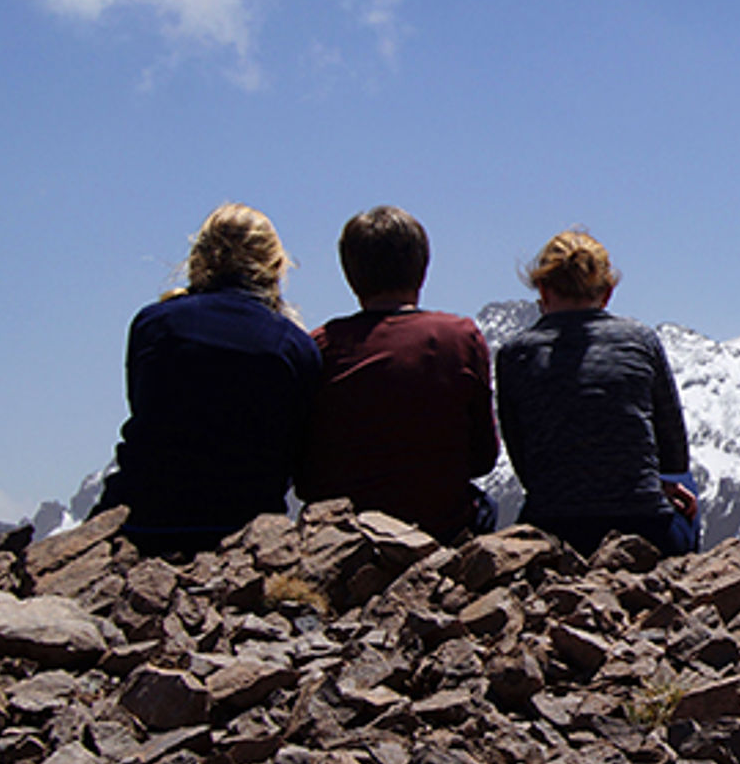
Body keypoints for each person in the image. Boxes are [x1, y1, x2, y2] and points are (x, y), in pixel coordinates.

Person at [96, 203, 323, 556]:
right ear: (276, 265)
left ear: (200, 256)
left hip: (144, 521)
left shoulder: (154, 324)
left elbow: (142, 407)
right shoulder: (294, 346)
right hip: (243, 531)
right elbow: (298, 449)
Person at [295, 206, 499, 541]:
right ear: (422, 268)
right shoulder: (459, 337)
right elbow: (482, 459)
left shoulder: (322, 345)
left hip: (342, 537)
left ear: (350, 274)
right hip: (439, 527)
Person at [494, 229, 699, 556]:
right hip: (646, 533)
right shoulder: (641, 340)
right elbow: (674, 454)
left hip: (552, 531)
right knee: (685, 484)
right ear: (607, 293)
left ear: (543, 291)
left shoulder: (514, 354)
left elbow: (524, 462)